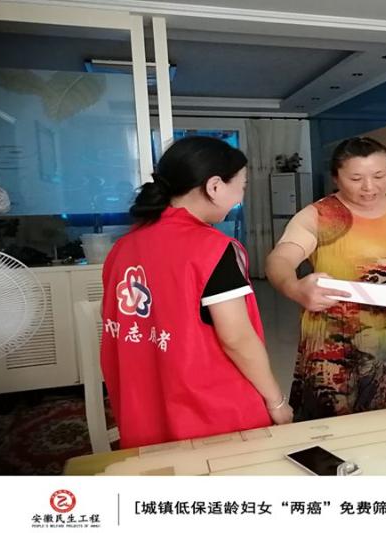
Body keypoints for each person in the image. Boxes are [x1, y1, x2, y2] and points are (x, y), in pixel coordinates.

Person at [101, 136, 292, 449]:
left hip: (143, 409)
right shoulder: (213, 249)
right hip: (210, 415)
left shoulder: (123, 247)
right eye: (242, 186)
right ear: (215, 186)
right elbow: (237, 338)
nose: (240, 197)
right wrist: (276, 402)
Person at [266, 136, 386, 421]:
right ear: (336, 177)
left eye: (379, 176)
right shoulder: (319, 216)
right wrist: (293, 287)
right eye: (355, 178)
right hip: (335, 346)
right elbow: (279, 260)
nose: (369, 187)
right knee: (332, 426)